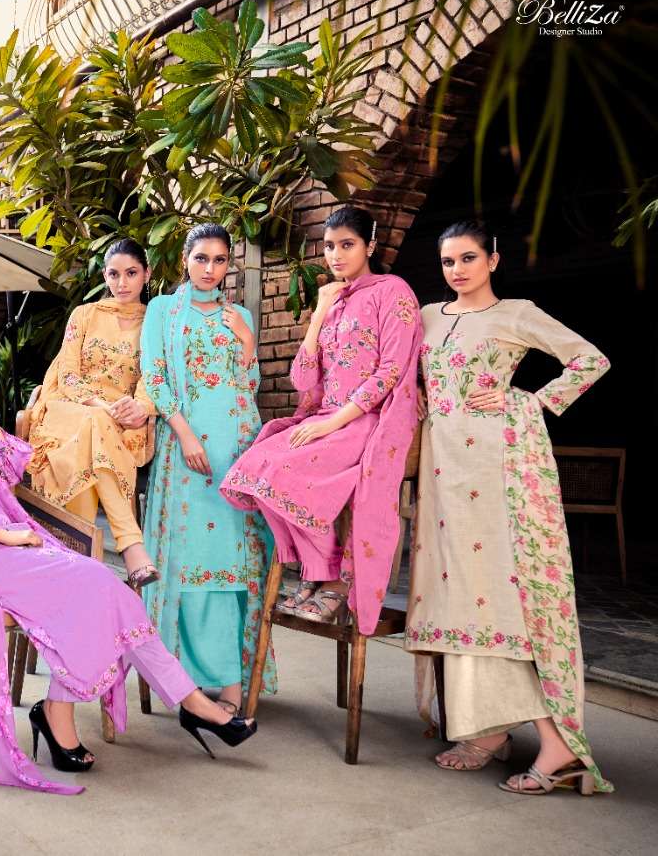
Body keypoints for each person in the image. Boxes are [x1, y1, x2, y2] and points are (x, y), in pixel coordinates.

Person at [0, 340, 257, 795]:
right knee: (100, 584)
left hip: (16, 550)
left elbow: (9, 472)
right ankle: (181, 704)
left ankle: (102, 707)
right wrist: (2, 535)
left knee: (106, 592)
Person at [404, 220, 612, 795]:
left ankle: (556, 742)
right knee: (458, 596)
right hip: (442, 472)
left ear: (493, 260)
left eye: (468, 258)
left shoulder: (517, 313)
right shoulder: (427, 316)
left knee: (496, 596)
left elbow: (590, 360)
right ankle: (486, 731)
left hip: (496, 468)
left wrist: (528, 401)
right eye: (448, 261)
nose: (457, 270)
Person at [221, 206, 422, 637]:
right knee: (253, 468)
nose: (336, 255)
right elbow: (302, 379)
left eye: (347, 245)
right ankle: (320, 569)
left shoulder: (393, 291)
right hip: (326, 416)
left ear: (370, 246)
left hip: (368, 419)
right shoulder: (331, 300)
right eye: (330, 246)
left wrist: (333, 424)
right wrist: (317, 316)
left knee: (281, 469)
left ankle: (334, 579)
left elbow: (390, 370)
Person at [138, 223, 275, 716]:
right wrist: (185, 434)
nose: (210, 269)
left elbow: (248, 384)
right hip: (186, 452)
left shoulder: (240, 315)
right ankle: (182, 679)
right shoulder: (162, 311)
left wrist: (246, 340)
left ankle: (232, 683)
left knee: (234, 562)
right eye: (201, 258)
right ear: (185, 259)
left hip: (236, 449)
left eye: (219, 260)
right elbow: (154, 377)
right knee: (189, 558)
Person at [27, 238, 158, 586]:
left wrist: (142, 407)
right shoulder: (84, 315)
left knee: (90, 451)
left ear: (147, 274)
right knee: (94, 425)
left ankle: (82, 572)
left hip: (120, 424)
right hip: (70, 410)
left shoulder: (155, 322)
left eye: (131, 273)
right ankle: (131, 545)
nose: (122, 283)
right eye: (114, 274)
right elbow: (68, 375)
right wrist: (102, 408)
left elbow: (153, 376)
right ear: (104, 276)